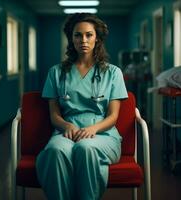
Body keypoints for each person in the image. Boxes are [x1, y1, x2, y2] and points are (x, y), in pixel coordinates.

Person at [36, 13, 128, 200]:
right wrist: (67, 126)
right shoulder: (56, 72)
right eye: (78, 35)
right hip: (67, 131)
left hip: (102, 133)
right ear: (71, 38)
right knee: (55, 150)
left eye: (89, 35)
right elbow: (54, 115)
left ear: (97, 38)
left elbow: (113, 117)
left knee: (85, 148)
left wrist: (92, 129)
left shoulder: (113, 73)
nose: (83, 40)